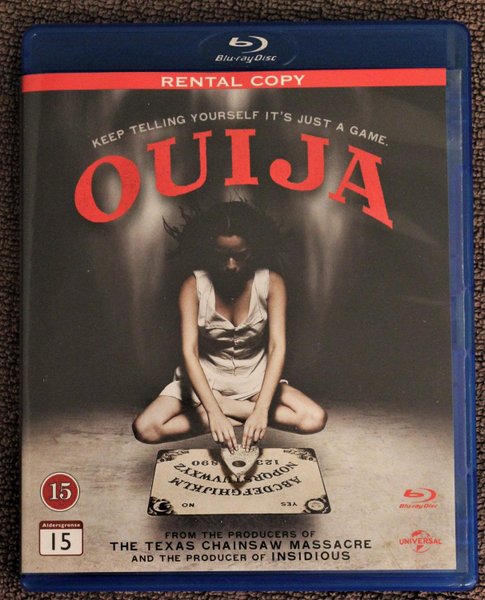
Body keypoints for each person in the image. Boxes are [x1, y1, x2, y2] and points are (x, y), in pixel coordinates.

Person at [133, 201, 327, 453]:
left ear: (254, 250)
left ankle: (233, 411)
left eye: (241, 255)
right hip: (205, 382)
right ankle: (228, 413)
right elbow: (189, 352)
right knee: (146, 428)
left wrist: (260, 409)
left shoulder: (272, 283)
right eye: (221, 256)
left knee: (314, 418)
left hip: (256, 381)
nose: (231, 265)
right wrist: (213, 411)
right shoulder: (193, 286)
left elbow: (277, 347)